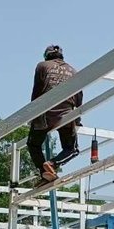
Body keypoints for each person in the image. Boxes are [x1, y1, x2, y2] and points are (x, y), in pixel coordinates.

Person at [28, 45, 83, 182]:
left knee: (33, 145)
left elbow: (37, 91)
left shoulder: (42, 66)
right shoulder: (73, 71)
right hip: (65, 114)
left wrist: (33, 115)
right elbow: (79, 97)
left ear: (46, 56)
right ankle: (52, 164)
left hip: (45, 113)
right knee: (72, 149)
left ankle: (44, 172)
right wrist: (77, 119)